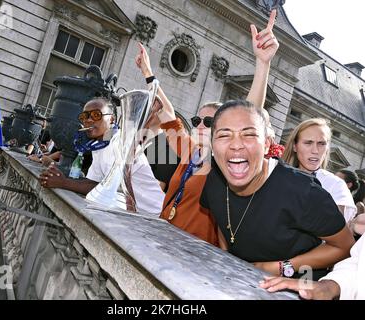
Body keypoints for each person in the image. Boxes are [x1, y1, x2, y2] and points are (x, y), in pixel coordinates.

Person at [135, 9, 280, 245]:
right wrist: (148, 73)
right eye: (197, 120)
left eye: (210, 122)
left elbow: (248, 116)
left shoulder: (227, 165)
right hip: (161, 238)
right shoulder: (190, 152)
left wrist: (262, 65)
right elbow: (165, 111)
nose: (201, 125)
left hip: (195, 254)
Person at [200, 100, 355, 280]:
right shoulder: (214, 179)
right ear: (212, 143)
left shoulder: (302, 190)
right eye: (224, 135)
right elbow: (223, 219)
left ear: (266, 144)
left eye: (249, 134)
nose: (236, 145)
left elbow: (344, 246)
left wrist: (280, 267)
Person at [39, 97, 165, 216]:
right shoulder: (100, 145)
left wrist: (64, 183)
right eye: (84, 116)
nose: (88, 120)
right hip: (134, 213)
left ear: (112, 120)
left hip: (153, 214)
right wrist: (59, 177)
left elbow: (105, 188)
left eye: (96, 115)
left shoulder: (120, 141)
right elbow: (93, 183)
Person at [282, 119, 357, 223]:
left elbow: (337, 231)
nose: (315, 151)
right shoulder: (277, 175)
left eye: (321, 143)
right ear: (295, 146)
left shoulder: (336, 185)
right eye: (308, 143)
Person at [259, 234, 365, 300]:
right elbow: (358, 263)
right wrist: (331, 286)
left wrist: (283, 267)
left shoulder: (308, 199)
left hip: (304, 272)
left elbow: (343, 247)